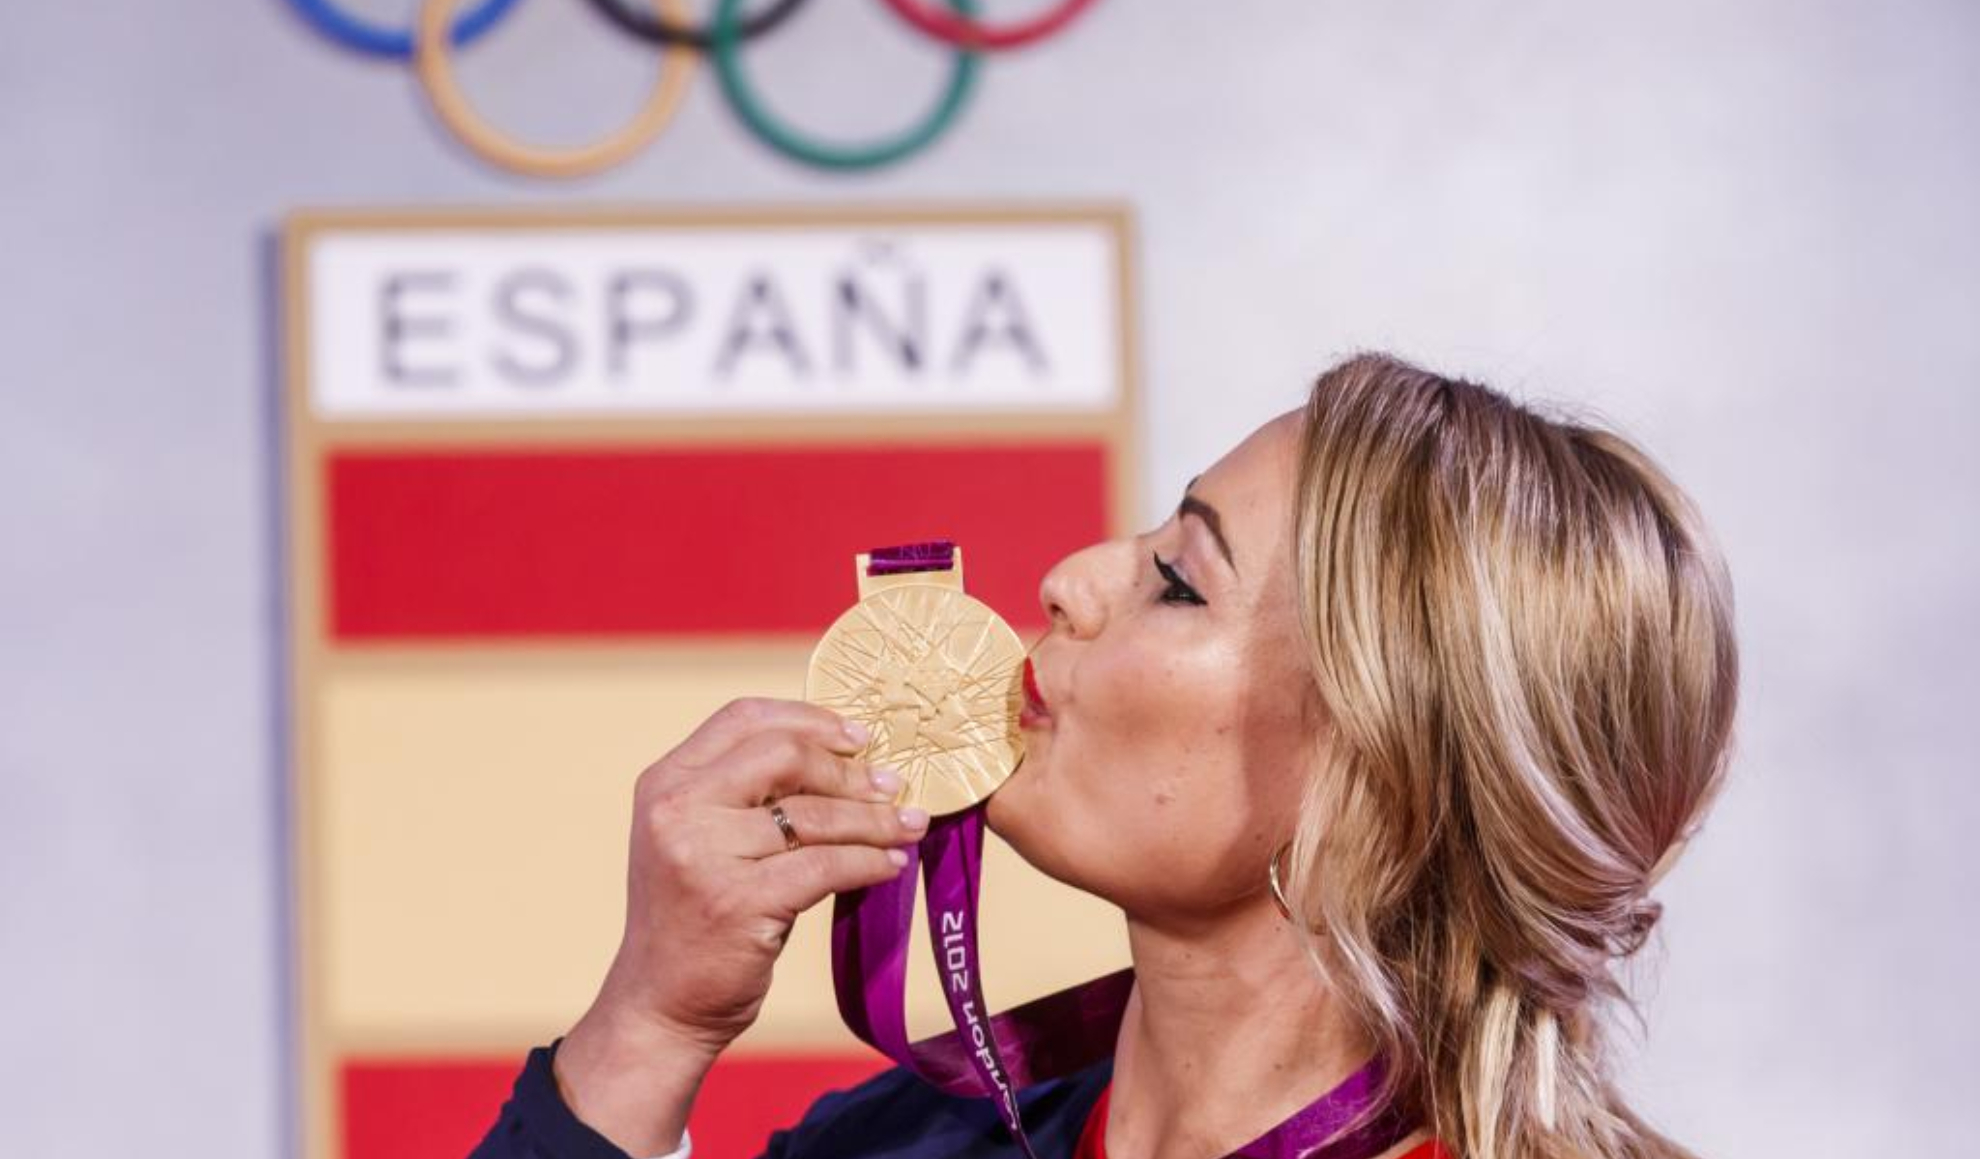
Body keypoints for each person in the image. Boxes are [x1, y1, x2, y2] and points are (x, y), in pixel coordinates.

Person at [468, 351, 1739, 1159]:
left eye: (1178, 581)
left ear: (1380, 784)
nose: (1072, 579)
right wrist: (649, 1028)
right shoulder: (894, 1148)